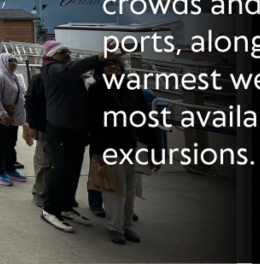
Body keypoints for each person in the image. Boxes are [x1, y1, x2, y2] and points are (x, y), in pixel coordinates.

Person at [38, 40, 124, 233]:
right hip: (61, 129)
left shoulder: (67, 71)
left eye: (68, 50)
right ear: (51, 55)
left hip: (75, 130)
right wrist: (98, 58)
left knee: (73, 170)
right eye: (62, 51)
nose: (68, 53)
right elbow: (70, 70)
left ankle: (67, 206)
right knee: (61, 171)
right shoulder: (51, 69)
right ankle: (50, 209)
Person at [88, 58, 159, 244]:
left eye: (117, 65)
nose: (114, 67)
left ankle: (127, 225)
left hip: (135, 146)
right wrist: (99, 151)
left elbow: (146, 118)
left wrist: (155, 150)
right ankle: (114, 227)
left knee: (130, 190)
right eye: (108, 65)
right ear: (100, 70)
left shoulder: (133, 88)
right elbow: (95, 123)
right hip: (111, 147)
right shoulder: (97, 90)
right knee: (114, 190)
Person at [0, 53, 27, 186]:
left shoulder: (16, 77)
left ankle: (10, 168)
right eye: (10, 61)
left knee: (11, 142)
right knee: (1, 143)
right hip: (3, 116)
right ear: (4, 62)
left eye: (15, 61)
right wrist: (3, 115)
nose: (14, 63)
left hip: (14, 116)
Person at [24, 69, 50, 208]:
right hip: (44, 126)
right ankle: (39, 192)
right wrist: (33, 125)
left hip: (64, 128)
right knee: (44, 160)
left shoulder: (69, 77)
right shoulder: (39, 78)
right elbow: (30, 102)